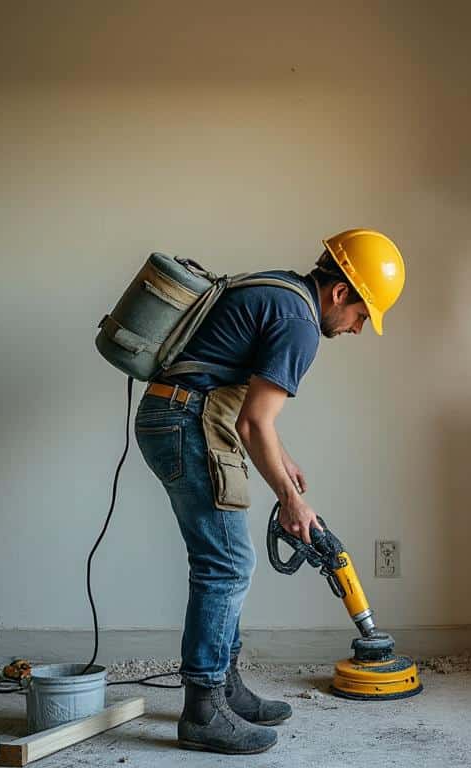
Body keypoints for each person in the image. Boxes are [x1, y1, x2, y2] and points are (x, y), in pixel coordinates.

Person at [134, 229, 406, 754]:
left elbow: (249, 413)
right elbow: (255, 422)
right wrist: (291, 498)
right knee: (227, 562)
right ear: (341, 292)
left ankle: (226, 688)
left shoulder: (284, 290)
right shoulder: (300, 324)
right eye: (362, 316)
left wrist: (285, 463)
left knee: (227, 560)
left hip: (183, 416)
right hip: (185, 421)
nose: (357, 329)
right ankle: (204, 708)